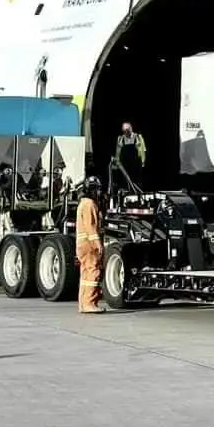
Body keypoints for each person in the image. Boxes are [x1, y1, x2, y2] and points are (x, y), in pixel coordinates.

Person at [75, 179, 105, 313]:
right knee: (94, 271)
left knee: (85, 274)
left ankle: (83, 303)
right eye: (97, 189)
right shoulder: (90, 204)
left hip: (81, 243)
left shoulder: (82, 204)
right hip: (89, 244)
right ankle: (90, 303)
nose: (99, 192)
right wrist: (98, 244)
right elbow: (91, 227)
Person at [111, 120, 148, 195]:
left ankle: (138, 196)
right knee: (125, 182)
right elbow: (118, 152)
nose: (126, 132)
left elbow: (143, 150)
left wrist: (143, 162)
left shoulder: (138, 137)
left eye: (128, 130)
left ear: (131, 128)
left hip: (135, 164)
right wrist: (116, 164)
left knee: (136, 182)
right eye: (124, 130)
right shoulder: (120, 138)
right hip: (125, 165)